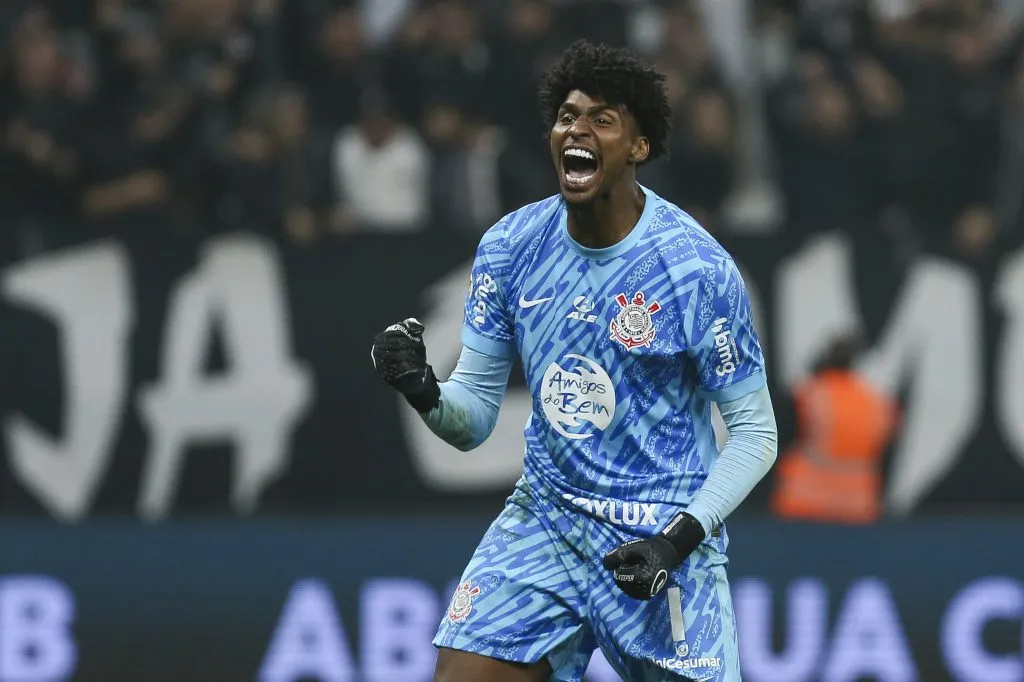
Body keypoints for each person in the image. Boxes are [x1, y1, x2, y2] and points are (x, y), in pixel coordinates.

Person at [370, 40, 778, 682]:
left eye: (602, 119)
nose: (576, 130)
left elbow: (755, 436)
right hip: (547, 521)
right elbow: (473, 422)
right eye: (566, 116)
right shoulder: (510, 247)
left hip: (658, 536)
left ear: (638, 147)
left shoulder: (695, 268)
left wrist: (676, 541)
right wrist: (424, 389)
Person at [771, 334, 899, 524]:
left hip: (803, 503)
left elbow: (778, 441)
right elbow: (886, 456)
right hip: (858, 506)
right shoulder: (877, 402)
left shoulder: (808, 395)